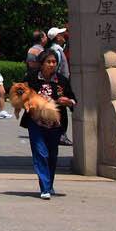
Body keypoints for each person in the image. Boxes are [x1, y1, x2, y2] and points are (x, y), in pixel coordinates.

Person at [22, 48, 76, 199]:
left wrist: (68, 102)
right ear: (41, 64)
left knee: (52, 155)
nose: (52, 65)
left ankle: (49, 184)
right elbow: (19, 93)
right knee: (41, 153)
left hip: (55, 125)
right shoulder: (31, 78)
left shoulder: (62, 80)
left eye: (54, 62)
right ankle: (44, 188)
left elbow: (73, 99)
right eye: (49, 62)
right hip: (36, 123)